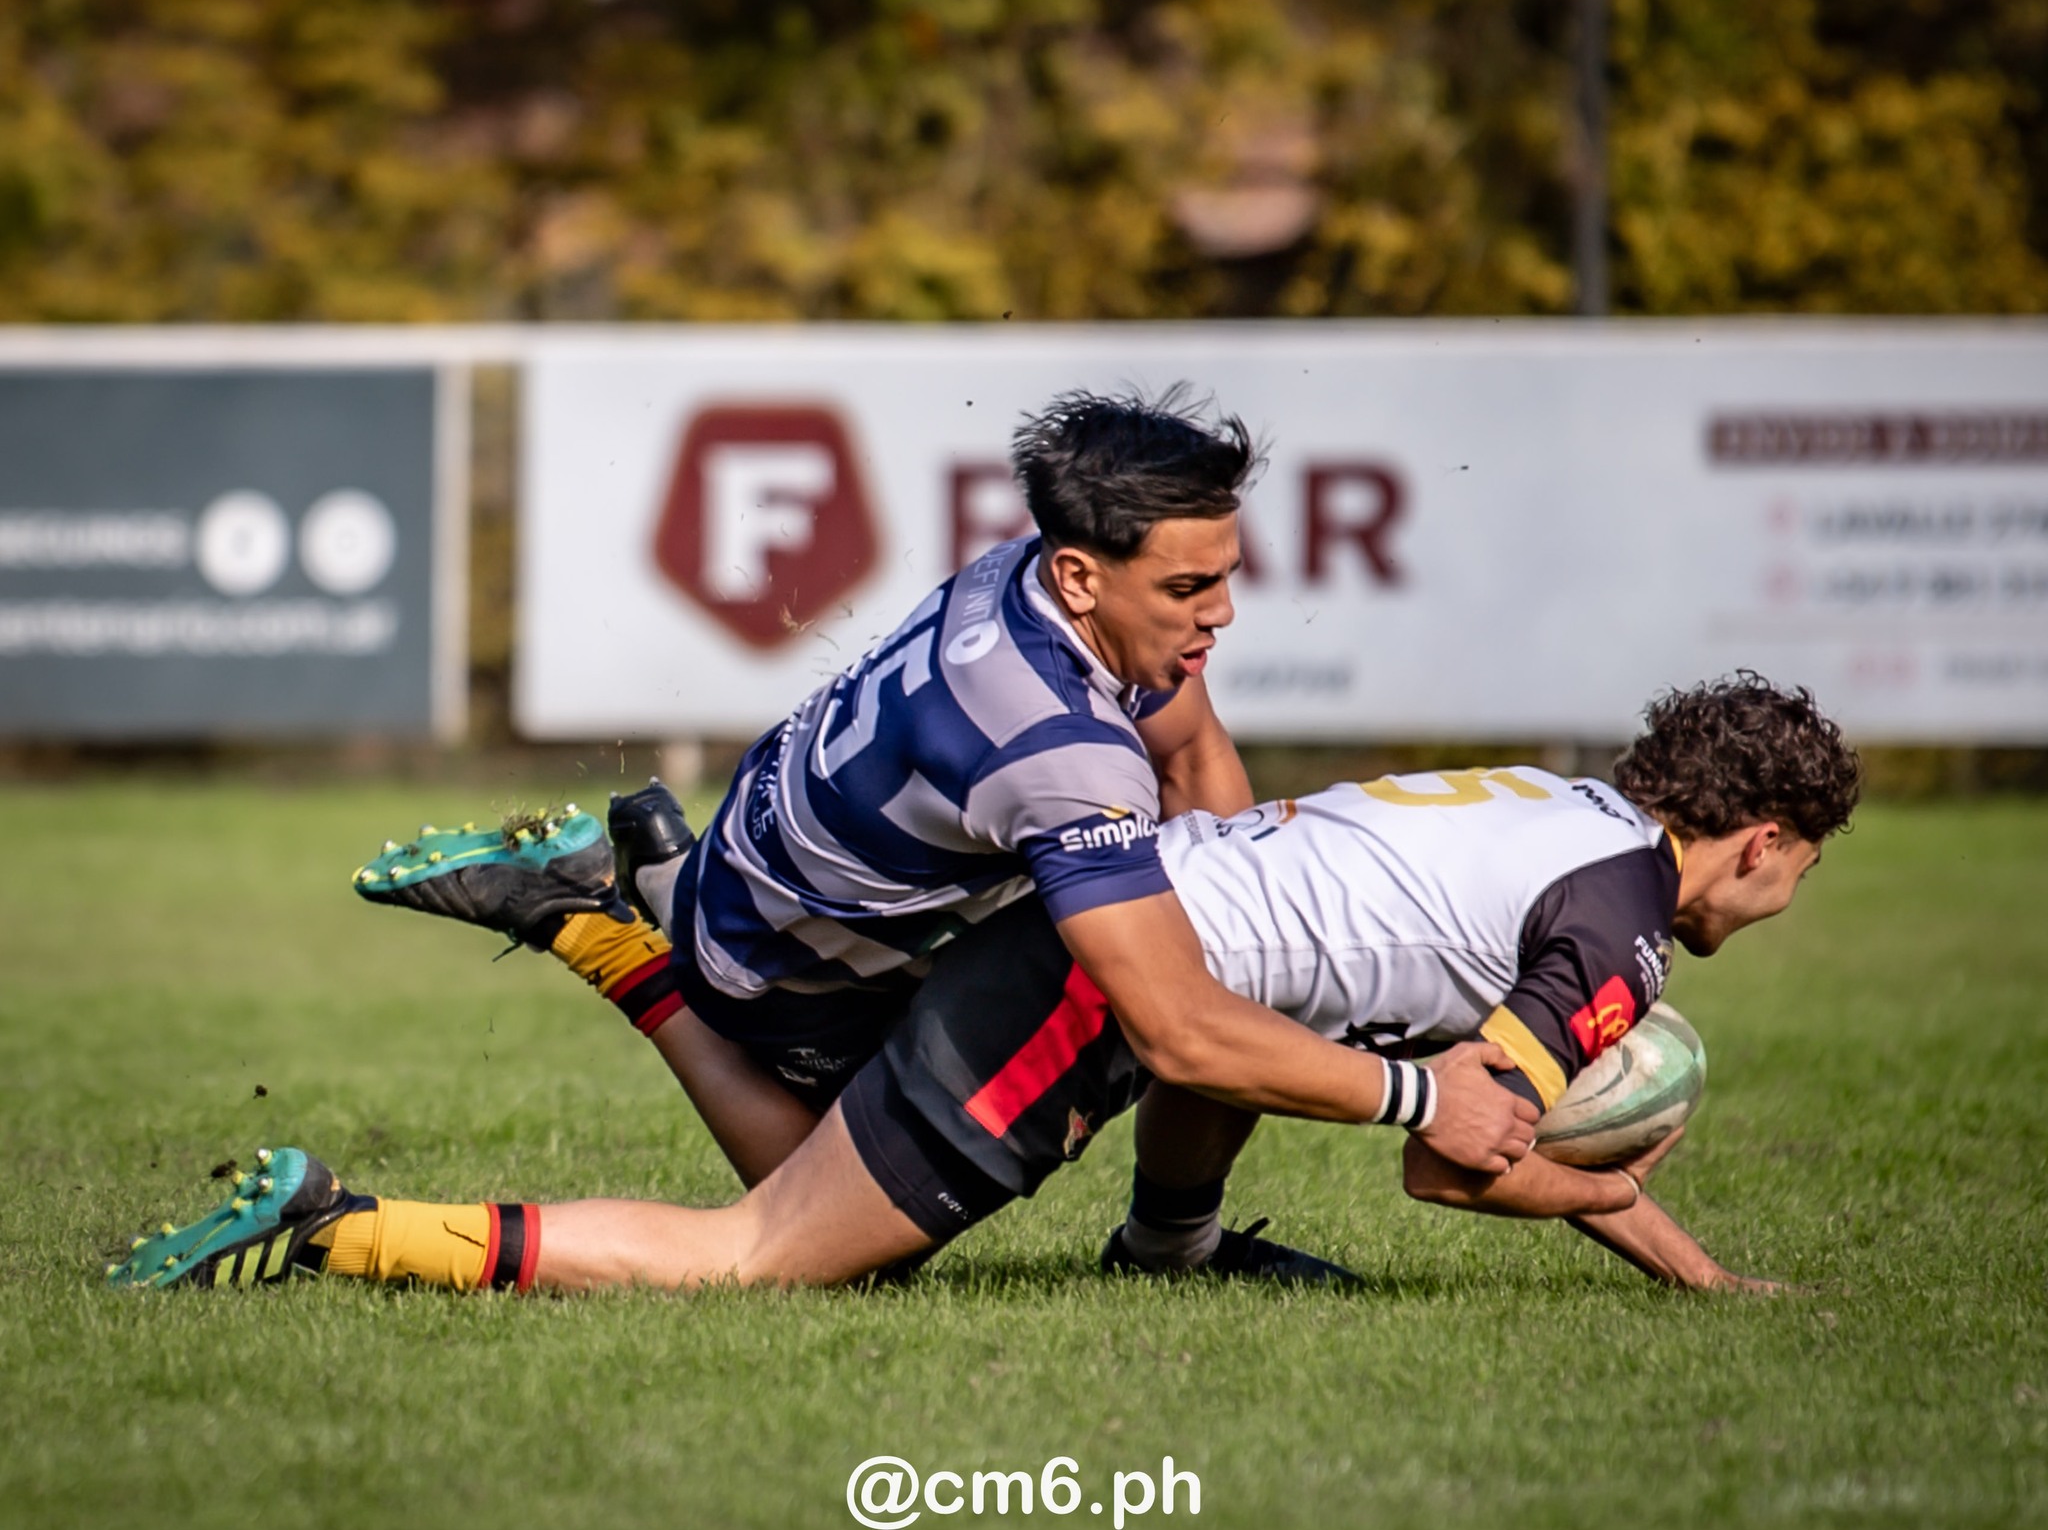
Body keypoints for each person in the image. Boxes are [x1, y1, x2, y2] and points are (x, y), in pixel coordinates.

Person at [110, 675, 1857, 1296]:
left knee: (807, 1179)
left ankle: (615, 930)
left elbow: (1266, 1037)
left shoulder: (1559, 804)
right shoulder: (1616, 931)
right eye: (1804, 872)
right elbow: (1451, 1147)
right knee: (765, 1253)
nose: (1789, 903)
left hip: (1108, 919)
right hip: (1100, 983)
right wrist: (1602, 1178)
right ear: (1761, 839)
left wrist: (1691, 1270)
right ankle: (337, 1227)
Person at [345, 388, 1535, 1283]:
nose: (1218, 612)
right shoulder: (1057, 752)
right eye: (1186, 591)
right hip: (786, 978)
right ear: (1082, 576)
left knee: (1207, 940)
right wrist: (1418, 1099)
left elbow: (1190, 758)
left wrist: (1245, 892)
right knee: (821, 1249)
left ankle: (639, 889)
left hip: (764, 879)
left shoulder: (1029, 581)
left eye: (1226, 577)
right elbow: (1177, 1028)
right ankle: (583, 964)